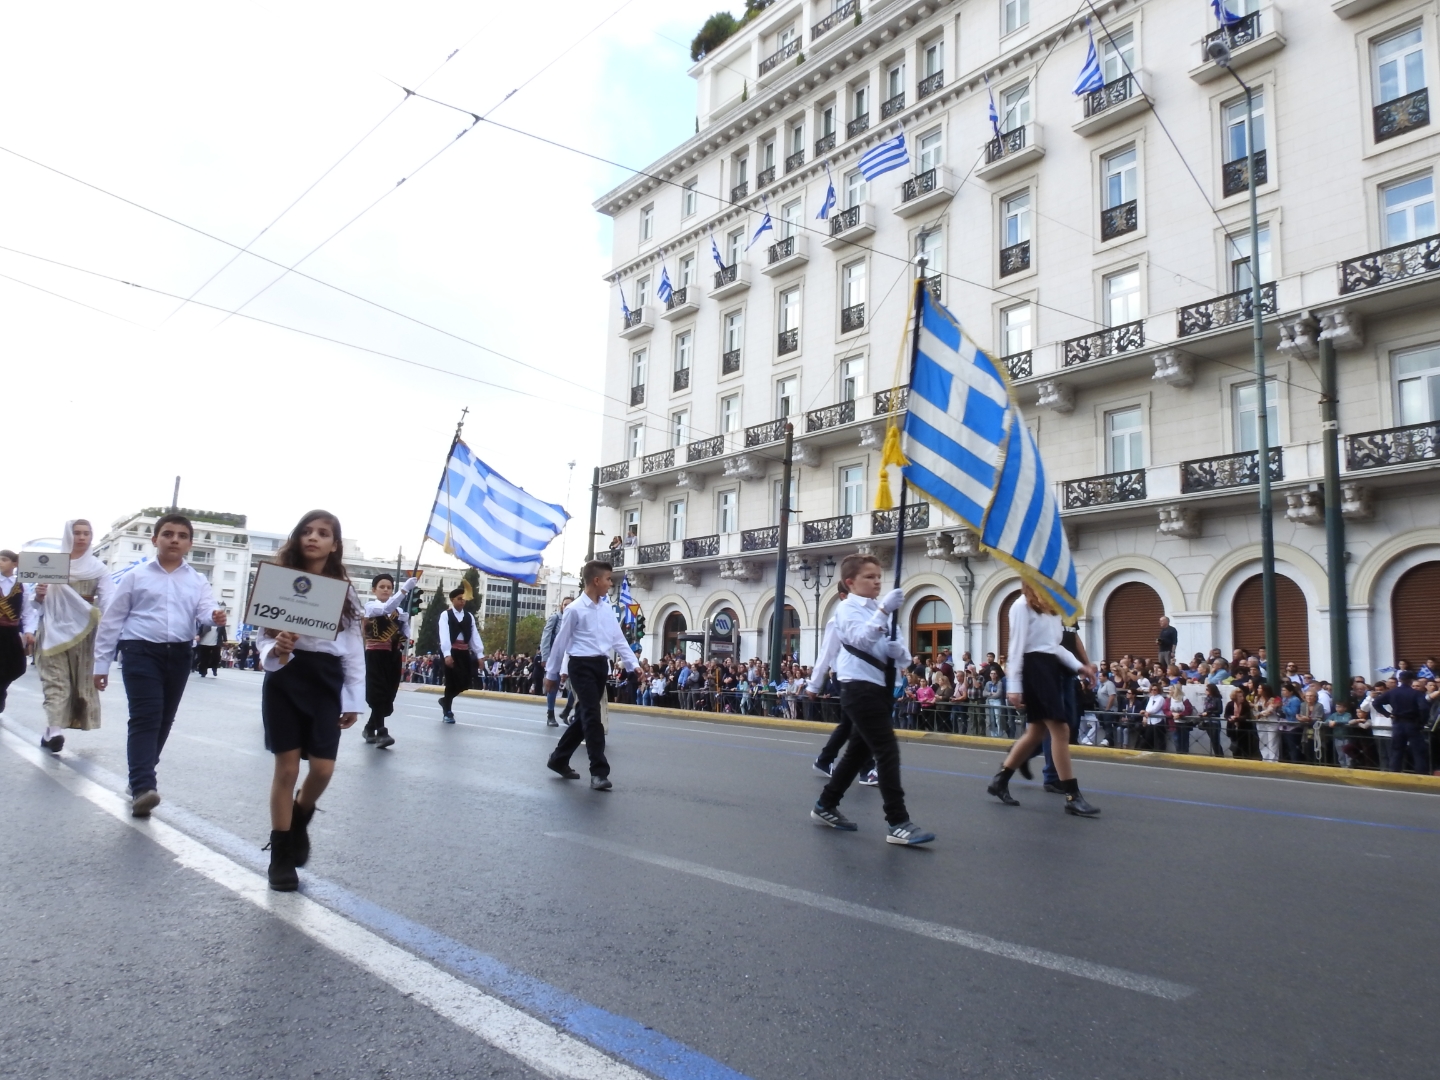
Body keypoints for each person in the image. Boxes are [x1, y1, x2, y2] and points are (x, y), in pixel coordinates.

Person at [255, 510, 365, 892]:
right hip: (286, 677)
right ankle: (281, 857)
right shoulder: (278, 582)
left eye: (323, 533)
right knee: (286, 770)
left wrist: (354, 699)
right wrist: (277, 647)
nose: (313, 538)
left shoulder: (344, 592)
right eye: (307, 531)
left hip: (325, 681)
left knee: (322, 769)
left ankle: (300, 817)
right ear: (297, 538)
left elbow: (353, 648)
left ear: (334, 544)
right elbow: (261, 637)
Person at [91, 514, 226, 816]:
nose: (174, 539)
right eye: (167, 534)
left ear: (190, 544)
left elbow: (206, 610)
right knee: (146, 717)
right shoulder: (136, 576)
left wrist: (214, 616)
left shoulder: (197, 580)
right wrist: (101, 664)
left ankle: (140, 775)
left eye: (181, 535)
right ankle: (143, 786)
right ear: (155, 540)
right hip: (140, 651)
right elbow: (112, 621)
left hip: (179, 654)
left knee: (165, 719)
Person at [809, 553, 934, 844]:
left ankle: (826, 804)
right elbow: (860, 640)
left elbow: (902, 654)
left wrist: (897, 651)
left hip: (881, 686)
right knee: (887, 749)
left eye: (879, 576)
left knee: (858, 753)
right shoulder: (847, 610)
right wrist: (883, 612)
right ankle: (898, 821)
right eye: (869, 577)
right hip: (857, 687)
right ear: (850, 582)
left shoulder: (884, 612)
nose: (877, 581)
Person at [987, 583, 1099, 815]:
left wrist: (1081, 667)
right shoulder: (1021, 605)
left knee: (1036, 731)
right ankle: (1072, 796)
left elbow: (1056, 648)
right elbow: (1015, 647)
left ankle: (1000, 780)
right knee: (1061, 729)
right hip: (1033, 669)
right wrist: (1014, 686)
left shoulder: (1050, 608)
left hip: (1049, 668)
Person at [543, 559, 639, 790]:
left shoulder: (606, 607)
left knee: (586, 715)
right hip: (580, 665)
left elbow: (617, 638)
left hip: (599, 665)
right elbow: (560, 643)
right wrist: (552, 673)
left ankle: (558, 759)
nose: (610, 584)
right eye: (607, 579)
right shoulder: (575, 609)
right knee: (592, 717)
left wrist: (632, 664)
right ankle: (598, 771)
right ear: (596, 580)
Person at [29, 520, 111, 753]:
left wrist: (111, 630)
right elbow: (34, 605)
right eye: (77, 533)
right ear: (68, 535)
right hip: (52, 631)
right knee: (56, 681)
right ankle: (55, 729)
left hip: (83, 634)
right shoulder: (53, 565)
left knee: (78, 684)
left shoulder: (98, 568)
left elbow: (109, 601)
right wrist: (39, 594)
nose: (82, 538)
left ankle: (50, 730)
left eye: (86, 533)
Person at [361, 572, 419, 748]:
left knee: (389, 693)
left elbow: (405, 635)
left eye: (389, 587)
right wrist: (404, 590)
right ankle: (381, 732)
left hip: (392, 655)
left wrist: (404, 621)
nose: (386, 590)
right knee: (377, 691)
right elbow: (385, 609)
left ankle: (369, 728)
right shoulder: (370, 606)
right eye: (382, 587)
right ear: (374, 590)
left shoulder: (398, 610)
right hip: (374, 655)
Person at [1370, 670, 1431, 774]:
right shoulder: (1416, 693)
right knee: (1418, 751)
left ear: (1400, 680)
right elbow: (1424, 708)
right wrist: (1421, 722)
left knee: (1397, 750)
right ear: (1411, 680)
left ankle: (1395, 772)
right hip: (1412, 723)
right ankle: (1421, 773)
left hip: (1397, 723)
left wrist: (1387, 714)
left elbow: (1376, 703)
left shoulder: (1392, 692)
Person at [437, 587, 481, 723]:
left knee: (465, 681)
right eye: (459, 599)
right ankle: (447, 712)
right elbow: (444, 634)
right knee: (451, 682)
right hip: (451, 651)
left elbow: (474, 636)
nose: (462, 601)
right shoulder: (446, 615)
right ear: (452, 600)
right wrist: (446, 654)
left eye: (464, 599)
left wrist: (479, 654)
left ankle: (445, 700)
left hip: (464, 652)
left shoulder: (469, 616)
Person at [0, 549, 30, 714]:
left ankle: (2, 689)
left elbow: (27, 612)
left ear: (14, 564)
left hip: (11, 634)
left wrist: (29, 631)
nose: (0, 562)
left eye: (4, 559)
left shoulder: (22, 585)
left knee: (17, 667)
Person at [540, 595, 573, 726]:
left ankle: (567, 711)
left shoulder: (575, 619)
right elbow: (546, 638)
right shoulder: (555, 618)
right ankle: (550, 715)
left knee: (575, 687)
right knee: (553, 686)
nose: (567, 607)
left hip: (570, 658)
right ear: (561, 606)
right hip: (556, 657)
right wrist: (545, 657)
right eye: (565, 604)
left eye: (570, 605)